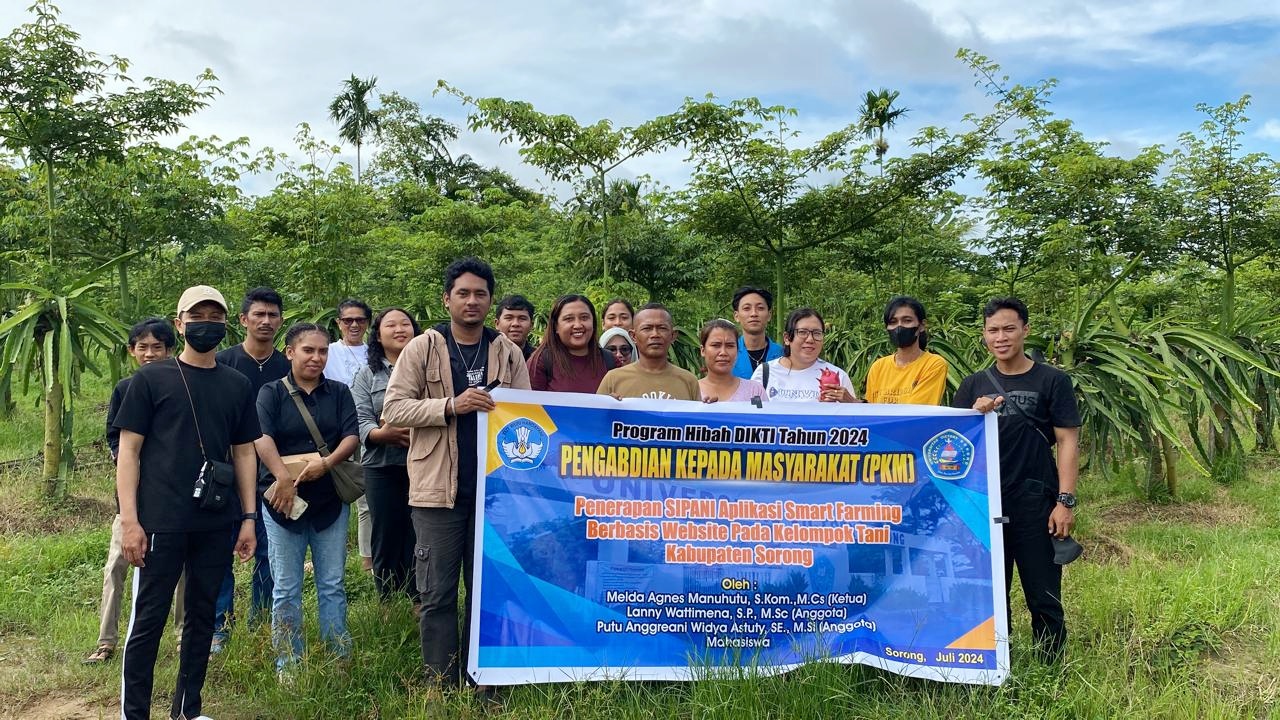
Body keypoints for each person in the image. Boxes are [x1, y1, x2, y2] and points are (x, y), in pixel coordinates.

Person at [382, 257, 532, 687]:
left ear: (490, 301)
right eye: (463, 293)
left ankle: (484, 679)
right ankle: (440, 682)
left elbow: (528, 417)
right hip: (436, 494)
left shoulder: (508, 351)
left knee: (490, 592)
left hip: (495, 494)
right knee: (437, 594)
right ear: (446, 299)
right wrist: (451, 405)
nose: (471, 301)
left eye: (480, 294)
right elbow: (393, 408)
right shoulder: (423, 347)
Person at [115, 286, 260, 720]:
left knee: (202, 617)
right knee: (149, 621)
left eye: (215, 315)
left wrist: (248, 517)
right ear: (179, 324)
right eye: (197, 315)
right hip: (159, 522)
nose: (206, 323)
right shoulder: (150, 379)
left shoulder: (236, 384)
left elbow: (244, 452)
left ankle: (187, 710)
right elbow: (129, 452)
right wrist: (130, 521)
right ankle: (134, 713)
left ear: (226, 323)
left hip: (216, 521)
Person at [953, 297, 1080, 662]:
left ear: (1025, 329)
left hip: (1036, 500)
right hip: (985, 501)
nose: (1001, 337)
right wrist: (971, 416)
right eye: (993, 330)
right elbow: (953, 445)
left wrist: (1065, 501)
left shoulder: (1053, 379)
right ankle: (996, 666)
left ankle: (1051, 669)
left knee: (1043, 594)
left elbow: (1067, 439)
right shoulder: (973, 384)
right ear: (984, 336)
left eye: (1009, 328)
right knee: (990, 592)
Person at [255, 322, 359, 677]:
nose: (316, 357)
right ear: (290, 352)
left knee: (332, 584)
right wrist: (283, 478)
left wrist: (325, 464)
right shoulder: (271, 393)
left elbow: (351, 436)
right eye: (308, 350)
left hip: (329, 499)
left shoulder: (340, 392)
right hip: (283, 502)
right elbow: (261, 438)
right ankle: (288, 664)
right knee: (286, 588)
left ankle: (338, 656)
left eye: (323, 351)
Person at [84, 318, 187, 666]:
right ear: (132, 352)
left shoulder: (182, 384)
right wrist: (128, 461)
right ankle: (106, 641)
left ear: (169, 350)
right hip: (131, 500)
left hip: (173, 497)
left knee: (180, 570)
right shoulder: (125, 388)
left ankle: (181, 637)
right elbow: (116, 438)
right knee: (116, 566)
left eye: (157, 347)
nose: (149, 353)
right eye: (142, 347)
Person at [211, 286, 288, 654]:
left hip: (273, 480)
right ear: (243, 320)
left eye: (273, 315)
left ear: (281, 321)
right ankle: (220, 629)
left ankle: (261, 625)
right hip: (225, 475)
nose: (266, 321)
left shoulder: (287, 367)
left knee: (268, 556)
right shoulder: (222, 362)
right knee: (219, 552)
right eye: (258, 314)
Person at [351, 308, 422, 605]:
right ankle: (388, 599)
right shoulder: (367, 374)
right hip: (381, 465)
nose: (399, 329)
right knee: (385, 532)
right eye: (390, 325)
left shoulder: (428, 367)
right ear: (378, 335)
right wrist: (382, 435)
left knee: (419, 532)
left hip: (421, 463)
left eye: (405, 323)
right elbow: (360, 418)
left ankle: (418, 596)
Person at [323, 298, 376, 573]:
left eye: (360, 320)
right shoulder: (328, 352)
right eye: (347, 320)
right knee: (336, 494)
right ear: (338, 323)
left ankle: (367, 559)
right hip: (336, 433)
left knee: (367, 496)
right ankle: (329, 559)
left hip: (369, 431)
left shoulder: (374, 352)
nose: (354, 325)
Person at [751, 307, 858, 403]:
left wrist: (851, 403)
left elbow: (855, 420)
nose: (810, 339)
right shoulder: (765, 373)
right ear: (787, 338)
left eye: (817, 333)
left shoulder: (838, 376)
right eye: (802, 332)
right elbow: (751, 412)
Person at [597, 303, 700, 401]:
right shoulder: (613, 379)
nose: (655, 334)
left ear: (673, 336)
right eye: (647, 328)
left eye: (662, 328)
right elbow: (595, 417)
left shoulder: (689, 381)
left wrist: (713, 408)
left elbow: (698, 418)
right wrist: (607, 407)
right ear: (633, 336)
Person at [864, 296, 949, 405]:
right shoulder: (878, 367)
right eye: (893, 322)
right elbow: (870, 411)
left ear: (922, 326)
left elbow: (917, 412)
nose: (899, 326)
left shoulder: (933, 364)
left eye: (907, 320)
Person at [528, 294, 613, 393]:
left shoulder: (610, 361)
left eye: (584, 318)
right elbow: (528, 405)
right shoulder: (540, 362)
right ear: (556, 326)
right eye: (569, 319)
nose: (577, 325)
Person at [698, 319, 767, 403]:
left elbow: (761, 415)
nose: (723, 352)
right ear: (703, 350)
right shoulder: (691, 392)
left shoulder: (754, 391)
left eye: (730, 346)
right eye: (716, 345)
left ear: (737, 350)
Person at [731, 286, 783, 379]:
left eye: (760, 308)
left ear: (769, 315)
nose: (754, 313)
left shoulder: (783, 354)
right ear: (736, 316)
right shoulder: (729, 354)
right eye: (747, 308)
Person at [495, 294, 536, 359]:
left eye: (522, 318)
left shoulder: (539, 358)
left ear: (531, 325)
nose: (515, 324)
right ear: (497, 324)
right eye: (509, 318)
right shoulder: (486, 354)